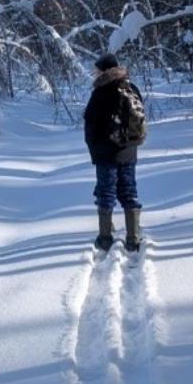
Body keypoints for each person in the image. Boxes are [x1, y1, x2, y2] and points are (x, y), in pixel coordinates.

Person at [83, 53, 147, 252]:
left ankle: (104, 238)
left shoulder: (100, 92)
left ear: (103, 70)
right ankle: (133, 238)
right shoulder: (131, 88)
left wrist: (94, 150)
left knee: (106, 192)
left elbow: (90, 125)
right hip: (129, 151)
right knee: (129, 190)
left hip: (105, 153)